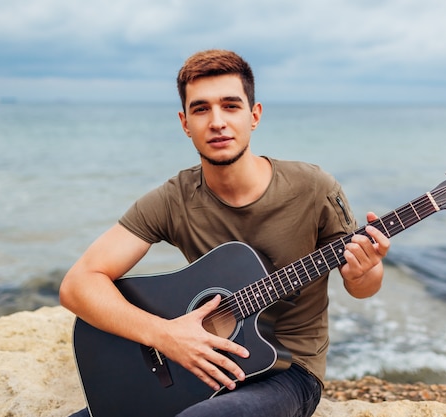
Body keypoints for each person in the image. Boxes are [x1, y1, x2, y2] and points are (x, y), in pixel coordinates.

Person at [60, 49, 390, 417]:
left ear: (254, 115)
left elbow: (362, 287)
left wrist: (366, 270)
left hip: (287, 372)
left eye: (230, 106)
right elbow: (77, 285)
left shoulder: (314, 188)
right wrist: (165, 336)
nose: (217, 122)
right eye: (201, 109)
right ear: (185, 123)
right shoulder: (174, 199)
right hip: (195, 369)